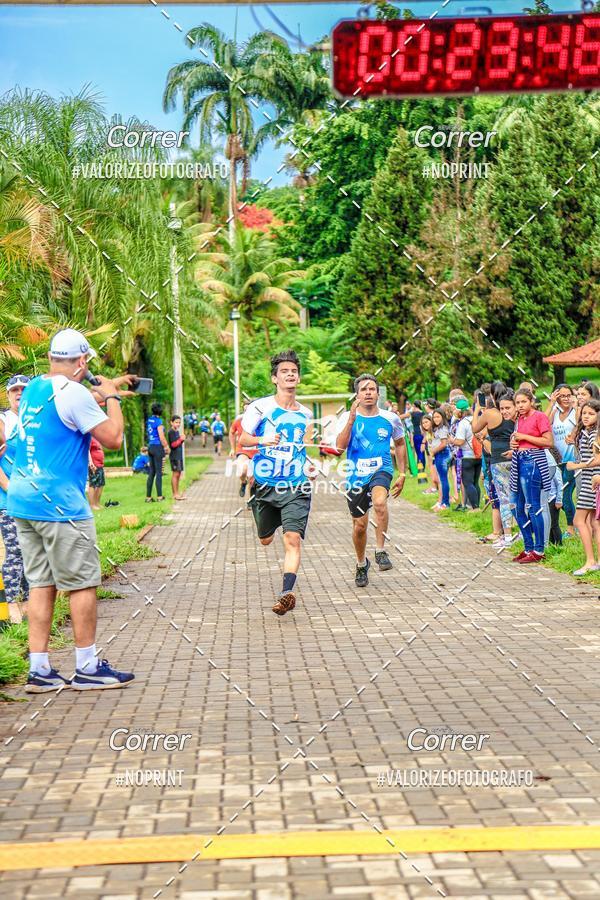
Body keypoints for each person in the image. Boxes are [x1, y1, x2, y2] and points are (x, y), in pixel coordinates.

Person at [6, 328, 135, 691]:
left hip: (23, 499)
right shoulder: (76, 394)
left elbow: (69, 405)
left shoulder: (33, 389)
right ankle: (86, 666)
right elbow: (112, 438)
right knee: (81, 583)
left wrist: (103, 389)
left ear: (51, 358)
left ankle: (40, 669)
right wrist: (112, 397)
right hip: (61, 506)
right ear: (82, 362)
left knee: (41, 582)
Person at [240, 350, 314, 616]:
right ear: (275, 378)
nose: (290, 374)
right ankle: (260, 511)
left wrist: (309, 465)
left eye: (294, 371)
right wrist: (263, 441)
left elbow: (302, 448)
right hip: (265, 484)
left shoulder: (306, 414)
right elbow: (243, 440)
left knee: (292, 539)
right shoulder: (260, 408)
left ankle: (286, 593)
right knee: (265, 539)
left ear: (298, 378)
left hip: (296, 485)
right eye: (284, 371)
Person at [335, 374, 407, 587]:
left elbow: (401, 443)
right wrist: (350, 420)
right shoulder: (348, 417)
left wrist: (402, 474)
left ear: (378, 393)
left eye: (372, 389)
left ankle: (380, 550)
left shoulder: (390, 418)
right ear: (356, 394)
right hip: (356, 476)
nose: (368, 392)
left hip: (381, 470)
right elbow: (339, 448)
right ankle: (360, 564)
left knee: (380, 504)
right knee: (359, 526)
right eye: (364, 389)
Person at [0, 374, 31, 623]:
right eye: (14, 390)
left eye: (24, 389)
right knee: (14, 551)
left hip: (35, 499)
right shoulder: (3, 420)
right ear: (8, 395)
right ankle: (12, 605)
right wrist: (12, 489)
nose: (19, 393)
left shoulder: (38, 419)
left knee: (35, 552)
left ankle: (31, 603)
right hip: (9, 499)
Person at [509, 388, 553, 564]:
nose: (520, 406)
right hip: (518, 460)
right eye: (517, 403)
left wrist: (524, 437)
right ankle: (528, 546)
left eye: (523, 402)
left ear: (531, 401)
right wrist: (514, 443)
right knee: (516, 505)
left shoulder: (540, 416)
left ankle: (539, 549)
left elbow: (548, 442)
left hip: (533, 461)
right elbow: (518, 439)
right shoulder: (519, 419)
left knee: (533, 506)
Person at [473, 387, 516, 548]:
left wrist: (478, 409)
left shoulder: (490, 414)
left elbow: (475, 428)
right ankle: (520, 533)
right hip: (515, 458)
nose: (505, 410)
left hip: (498, 459)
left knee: (504, 498)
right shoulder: (516, 415)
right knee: (516, 497)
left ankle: (508, 535)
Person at [566, 399, 600, 575]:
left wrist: (576, 466)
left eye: (591, 414)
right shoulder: (586, 432)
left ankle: (590, 560)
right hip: (590, 478)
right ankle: (595, 561)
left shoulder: (594, 435)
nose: (586, 416)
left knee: (579, 520)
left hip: (591, 481)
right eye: (584, 413)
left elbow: (598, 459)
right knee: (595, 522)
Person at [546, 384, 577, 538]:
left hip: (573, 460)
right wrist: (551, 403)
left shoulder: (576, 412)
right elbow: (543, 423)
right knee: (558, 494)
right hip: (557, 460)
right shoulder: (555, 412)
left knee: (564, 494)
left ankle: (571, 528)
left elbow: (581, 426)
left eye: (568, 395)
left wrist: (573, 436)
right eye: (562, 396)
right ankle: (579, 521)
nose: (565, 399)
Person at [450, 398, 481, 511]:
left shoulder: (463, 423)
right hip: (478, 455)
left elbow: (460, 441)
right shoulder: (476, 419)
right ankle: (477, 506)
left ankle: (475, 508)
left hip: (467, 456)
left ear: (460, 412)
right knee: (475, 482)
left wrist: (451, 440)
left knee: (468, 483)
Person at [229, 402, 256, 498]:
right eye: (245, 410)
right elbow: (231, 432)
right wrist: (232, 449)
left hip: (256, 452)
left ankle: (251, 500)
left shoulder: (260, 420)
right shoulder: (239, 421)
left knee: (252, 478)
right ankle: (243, 482)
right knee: (243, 471)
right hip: (243, 450)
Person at [146, 403, 169, 502]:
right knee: (159, 472)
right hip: (157, 447)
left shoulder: (149, 420)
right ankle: (160, 497)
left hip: (150, 446)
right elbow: (161, 436)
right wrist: (166, 446)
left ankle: (148, 497)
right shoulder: (158, 421)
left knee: (152, 472)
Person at [430, 409, 452, 510]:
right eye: (434, 417)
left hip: (442, 455)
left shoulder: (443, 428)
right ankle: (442, 502)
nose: (436, 419)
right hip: (439, 455)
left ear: (443, 417)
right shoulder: (438, 428)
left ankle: (445, 503)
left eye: (438, 417)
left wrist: (434, 451)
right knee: (441, 479)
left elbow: (444, 444)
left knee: (443, 480)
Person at [168, 415, 186, 500]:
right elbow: (173, 445)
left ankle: (177, 493)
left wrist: (181, 440)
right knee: (175, 474)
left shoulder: (177, 431)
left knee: (178, 474)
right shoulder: (171, 432)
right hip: (174, 456)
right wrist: (181, 439)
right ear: (171, 422)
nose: (178, 424)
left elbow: (178, 443)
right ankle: (175, 494)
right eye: (176, 422)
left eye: (179, 422)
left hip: (179, 455)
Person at [87, 436, 105, 511]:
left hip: (100, 464)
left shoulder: (97, 438)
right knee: (93, 484)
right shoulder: (89, 437)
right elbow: (87, 450)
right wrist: (90, 462)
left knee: (101, 484)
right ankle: (92, 504)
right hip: (94, 464)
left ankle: (97, 503)